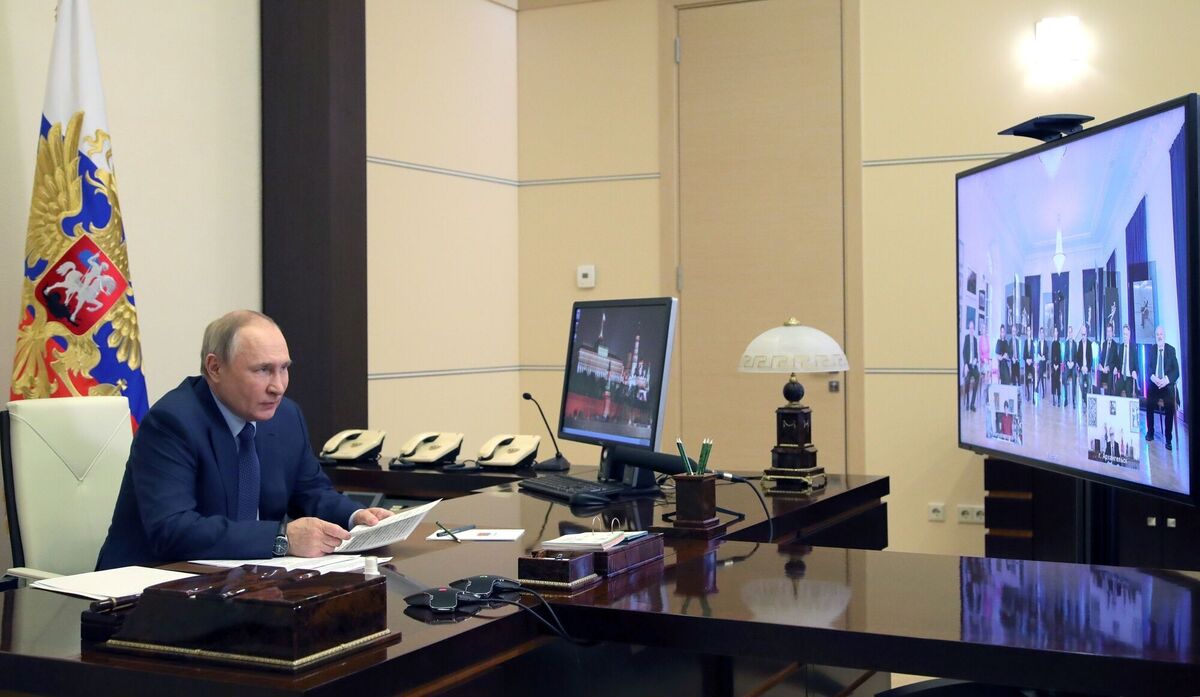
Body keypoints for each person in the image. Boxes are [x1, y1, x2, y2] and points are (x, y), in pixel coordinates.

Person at [97, 310, 394, 569]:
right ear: (215, 368)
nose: (278, 387)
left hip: (241, 587)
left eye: (284, 368)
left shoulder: (286, 417)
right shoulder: (173, 422)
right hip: (146, 593)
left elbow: (311, 492)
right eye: (263, 370)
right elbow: (173, 530)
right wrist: (282, 538)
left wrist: (357, 517)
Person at [1145, 325, 1180, 449]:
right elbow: (1148, 368)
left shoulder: (1171, 350)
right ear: (1155, 337)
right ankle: (1150, 432)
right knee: (1148, 401)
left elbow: (1176, 371)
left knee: (1169, 404)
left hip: (1166, 385)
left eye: (1161, 334)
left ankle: (1168, 439)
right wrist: (1153, 378)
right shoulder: (1152, 349)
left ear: (1164, 336)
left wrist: (1166, 380)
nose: (1159, 337)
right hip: (1155, 384)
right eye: (1157, 335)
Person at [1112, 324, 1138, 398]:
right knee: (1116, 388)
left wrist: (1135, 372)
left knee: (1128, 392)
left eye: (1126, 334)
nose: (1125, 336)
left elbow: (1136, 365)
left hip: (1129, 377)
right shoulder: (1121, 347)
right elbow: (1118, 362)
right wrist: (1116, 368)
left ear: (1129, 335)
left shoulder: (1133, 348)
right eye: (1124, 334)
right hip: (1122, 376)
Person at [962, 320, 980, 411]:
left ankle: (972, 403)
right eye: (970, 328)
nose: (971, 330)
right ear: (969, 329)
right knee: (967, 380)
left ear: (974, 329)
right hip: (967, 365)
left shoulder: (976, 340)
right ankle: (968, 402)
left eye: (973, 328)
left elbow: (976, 354)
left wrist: (976, 359)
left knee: (978, 376)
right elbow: (964, 352)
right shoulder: (966, 338)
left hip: (974, 365)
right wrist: (965, 364)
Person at [1098, 322, 1116, 394]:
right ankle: (1099, 398)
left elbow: (1115, 361)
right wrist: (1100, 365)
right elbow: (1102, 357)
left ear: (1112, 332)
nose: (1108, 333)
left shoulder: (1115, 345)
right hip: (1103, 369)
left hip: (1109, 370)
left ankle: (1109, 398)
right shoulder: (1104, 344)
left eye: (1110, 331)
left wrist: (1108, 368)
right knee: (1097, 376)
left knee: (1110, 377)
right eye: (1107, 331)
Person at [1079, 321, 1095, 401]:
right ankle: (1084, 398)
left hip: (1088, 369)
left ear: (1086, 334)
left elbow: (1091, 359)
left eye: (1084, 335)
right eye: (1082, 335)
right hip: (1082, 369)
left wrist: (1087, 368)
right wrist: (1082, 367)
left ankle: (1086, 399)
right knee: (1081, 382)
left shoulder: (1089, 344)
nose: (1083, 336)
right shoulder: (1079, 344)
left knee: (1089, 383)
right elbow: (1078, 358)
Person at [1064, 325, 1077, 409]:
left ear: (1073, 333)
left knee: (1074, 378)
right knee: (1064, 377)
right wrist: (1067, 363)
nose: (1070, 333)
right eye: (1069, 332)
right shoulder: (1066, 344)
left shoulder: (1075, 344)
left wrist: (1073, 363)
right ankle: (1066, 399)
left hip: (1073, 366)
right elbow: (1064, 356)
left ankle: (1073, 400)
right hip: (1068, 365)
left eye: (1071, 332)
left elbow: (1076, 356)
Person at [1050, 325, 1062, 406]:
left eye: (1056, 332)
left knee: (1058, 379)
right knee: (1053, 378)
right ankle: (1053, 397)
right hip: (1053, 365)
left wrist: (1057, 365)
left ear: (1057, 333)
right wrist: (1053, 365)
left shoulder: (1059, 344)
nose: (1055, 333)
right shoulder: (1052, 344)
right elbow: (1051, 356)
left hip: (1058, 365)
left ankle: (1059, 397)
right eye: (1054, 332)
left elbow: (1060, 356)